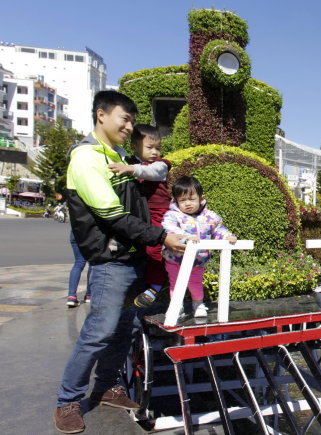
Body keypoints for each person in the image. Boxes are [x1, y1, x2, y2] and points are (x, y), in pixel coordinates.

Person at [54, 90, 186, 434]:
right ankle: (67, 401)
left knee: (124, 330)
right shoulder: (86, 157)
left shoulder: (117, 155)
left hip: (133, 258)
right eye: (124, 119)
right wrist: (161, 237)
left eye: (131, 120)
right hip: (111, 261)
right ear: (101, 115)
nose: (129, 126)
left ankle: (107, 387)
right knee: (98, 332)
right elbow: (111, 215)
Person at [106, 124, 171, 308]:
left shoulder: (161, 165)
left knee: (154, 249)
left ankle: (156, 287)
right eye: (149, 147)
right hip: (140, 215)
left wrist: (130, 169)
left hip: (160, 214)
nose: (155, 152)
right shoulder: (127, 161)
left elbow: (151, 172)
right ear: (134, 146)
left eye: (158, 148)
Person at [162, 176, 237, 318]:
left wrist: (227, 237)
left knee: (195, 283)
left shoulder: (210, 217)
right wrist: (185, 237)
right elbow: (169, 229)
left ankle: (198, 304)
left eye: (192, 199)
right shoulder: (172, 215)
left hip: (198, 260)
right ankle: (177, 306)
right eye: (183, 200)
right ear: (176, 201)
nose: (188, 203)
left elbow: (219, 230)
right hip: (175, 258)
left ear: (200, 198)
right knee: (176, 284)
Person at [66, 231, 91, 307]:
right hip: (89, 234)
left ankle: (71, 296)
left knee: (78, 263)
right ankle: (89, 295)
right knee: (92, 264)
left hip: (75, 233)